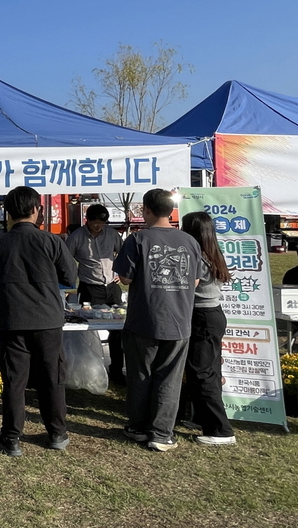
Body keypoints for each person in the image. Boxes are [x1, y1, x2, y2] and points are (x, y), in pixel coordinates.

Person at [0, 187, 77, 457]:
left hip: (12, 319)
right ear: (36, 209)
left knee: (14, 380)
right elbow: (70, 276)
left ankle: (11, 437)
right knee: (52, 378)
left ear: (8, 212)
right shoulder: (51, 241)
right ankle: (57, 433)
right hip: (47, 319)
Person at [112, 189, 205, 452]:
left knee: (140, 375)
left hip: (144, 318)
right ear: (171, 210)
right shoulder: (189, 241)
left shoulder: (138, 239)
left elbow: (126, 278)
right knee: (169, 378)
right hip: (178, 320)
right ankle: (162, 433)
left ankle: (138, 427)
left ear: (146, 210)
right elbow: (195, 280)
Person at [180, 211, 237, 445]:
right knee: (209, 372)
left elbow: (188, 286)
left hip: (202, 315)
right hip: (213, 314)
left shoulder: (195, 255)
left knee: (201, 374)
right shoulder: (212, 251)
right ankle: (202, 418)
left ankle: (221, 431)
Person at [65, 203, 125, 384]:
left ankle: (116, 369)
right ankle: (87, 370)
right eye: (95, 223)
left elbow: (123, 254)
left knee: (118, 330)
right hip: (89, 287)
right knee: (87, 330)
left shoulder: (112, 234)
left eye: (102, 223)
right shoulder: (77, 237)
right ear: (87, 221)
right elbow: (66, 260)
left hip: (111, 286)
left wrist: (120, 275)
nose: (98, 226)